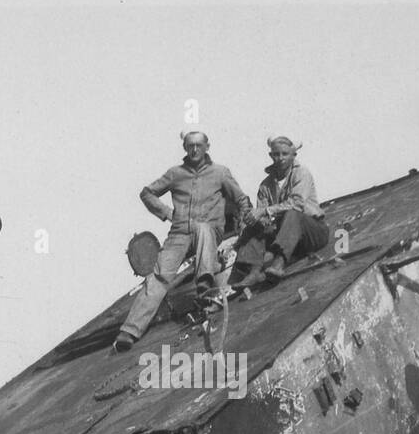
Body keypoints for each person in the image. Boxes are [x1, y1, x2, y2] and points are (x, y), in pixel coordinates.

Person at [114, 131, 251, 351]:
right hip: (179, 233)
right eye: (190, 146)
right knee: (160, 273)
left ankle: (204, 285)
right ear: (185, 148)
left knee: (204, 229)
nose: (194, 150)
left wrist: (245, 222)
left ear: (207, 146)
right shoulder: (175, 174)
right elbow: (147, 193)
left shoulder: (220, 173)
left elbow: (241, 199)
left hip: (209, 229)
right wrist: (167, 212)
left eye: (199, 145)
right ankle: (129, 331)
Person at [231, 136, 330, 288]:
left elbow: (296, 204)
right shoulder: (265, 185)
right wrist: (254, 219)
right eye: (276, 154)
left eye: (285, 154)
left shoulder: (302, 174)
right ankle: (254, 271)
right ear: (271, 156)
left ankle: (278, 264)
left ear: (293, 155)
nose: (281, 158)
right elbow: (263, 217)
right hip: (288, 238)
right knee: (255, 225)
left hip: (313, 233)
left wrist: (264, 211)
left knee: (292, 214)